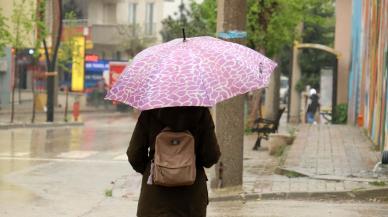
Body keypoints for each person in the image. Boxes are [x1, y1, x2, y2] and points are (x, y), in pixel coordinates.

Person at [127, 106, 221, 217]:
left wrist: (155, 171)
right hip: (191, 200)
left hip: (155, 199)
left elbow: (134, 154)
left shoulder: (150, 111)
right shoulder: (201, 112)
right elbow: (211, 156)